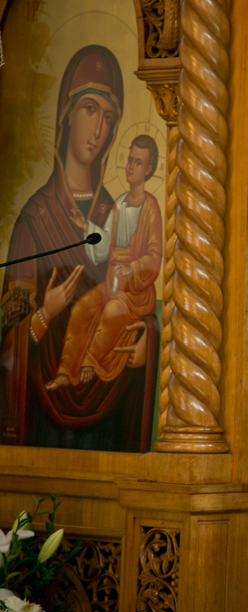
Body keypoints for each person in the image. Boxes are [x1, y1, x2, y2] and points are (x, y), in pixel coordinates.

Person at [0, 45, 158, 452]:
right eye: (90, 109)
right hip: (41, 423)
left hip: (110, 406)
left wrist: (147, 343)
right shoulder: (34, 219)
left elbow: (142, 296)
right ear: (65, 116)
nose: (99, 129)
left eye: (109, 117)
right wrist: (44, 314)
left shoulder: (118, 210)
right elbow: (6, 328)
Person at [47, 135, 163, 389]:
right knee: (81, 308)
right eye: (129, 160)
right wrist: (85, 226)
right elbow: (105, 245)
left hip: (135, 292)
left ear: (149, 169)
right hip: (112, 282)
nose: (130, 166)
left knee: (112, 312)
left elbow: (155, 256)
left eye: (137, 162)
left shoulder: (151, 208)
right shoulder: (119, 204)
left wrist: (132, 268)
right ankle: (66, 371)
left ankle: (90, 361)